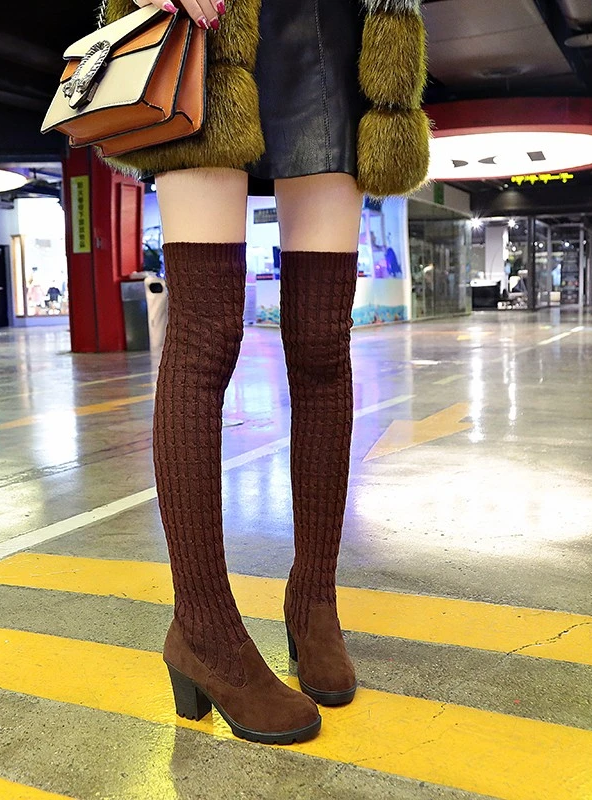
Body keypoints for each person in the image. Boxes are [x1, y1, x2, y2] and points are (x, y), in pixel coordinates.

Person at [104, 0, 429, 744]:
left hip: (339, 29)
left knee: (321, 343)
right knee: (204, 334)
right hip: (208, 27)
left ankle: (313, 599)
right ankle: (203, 629)